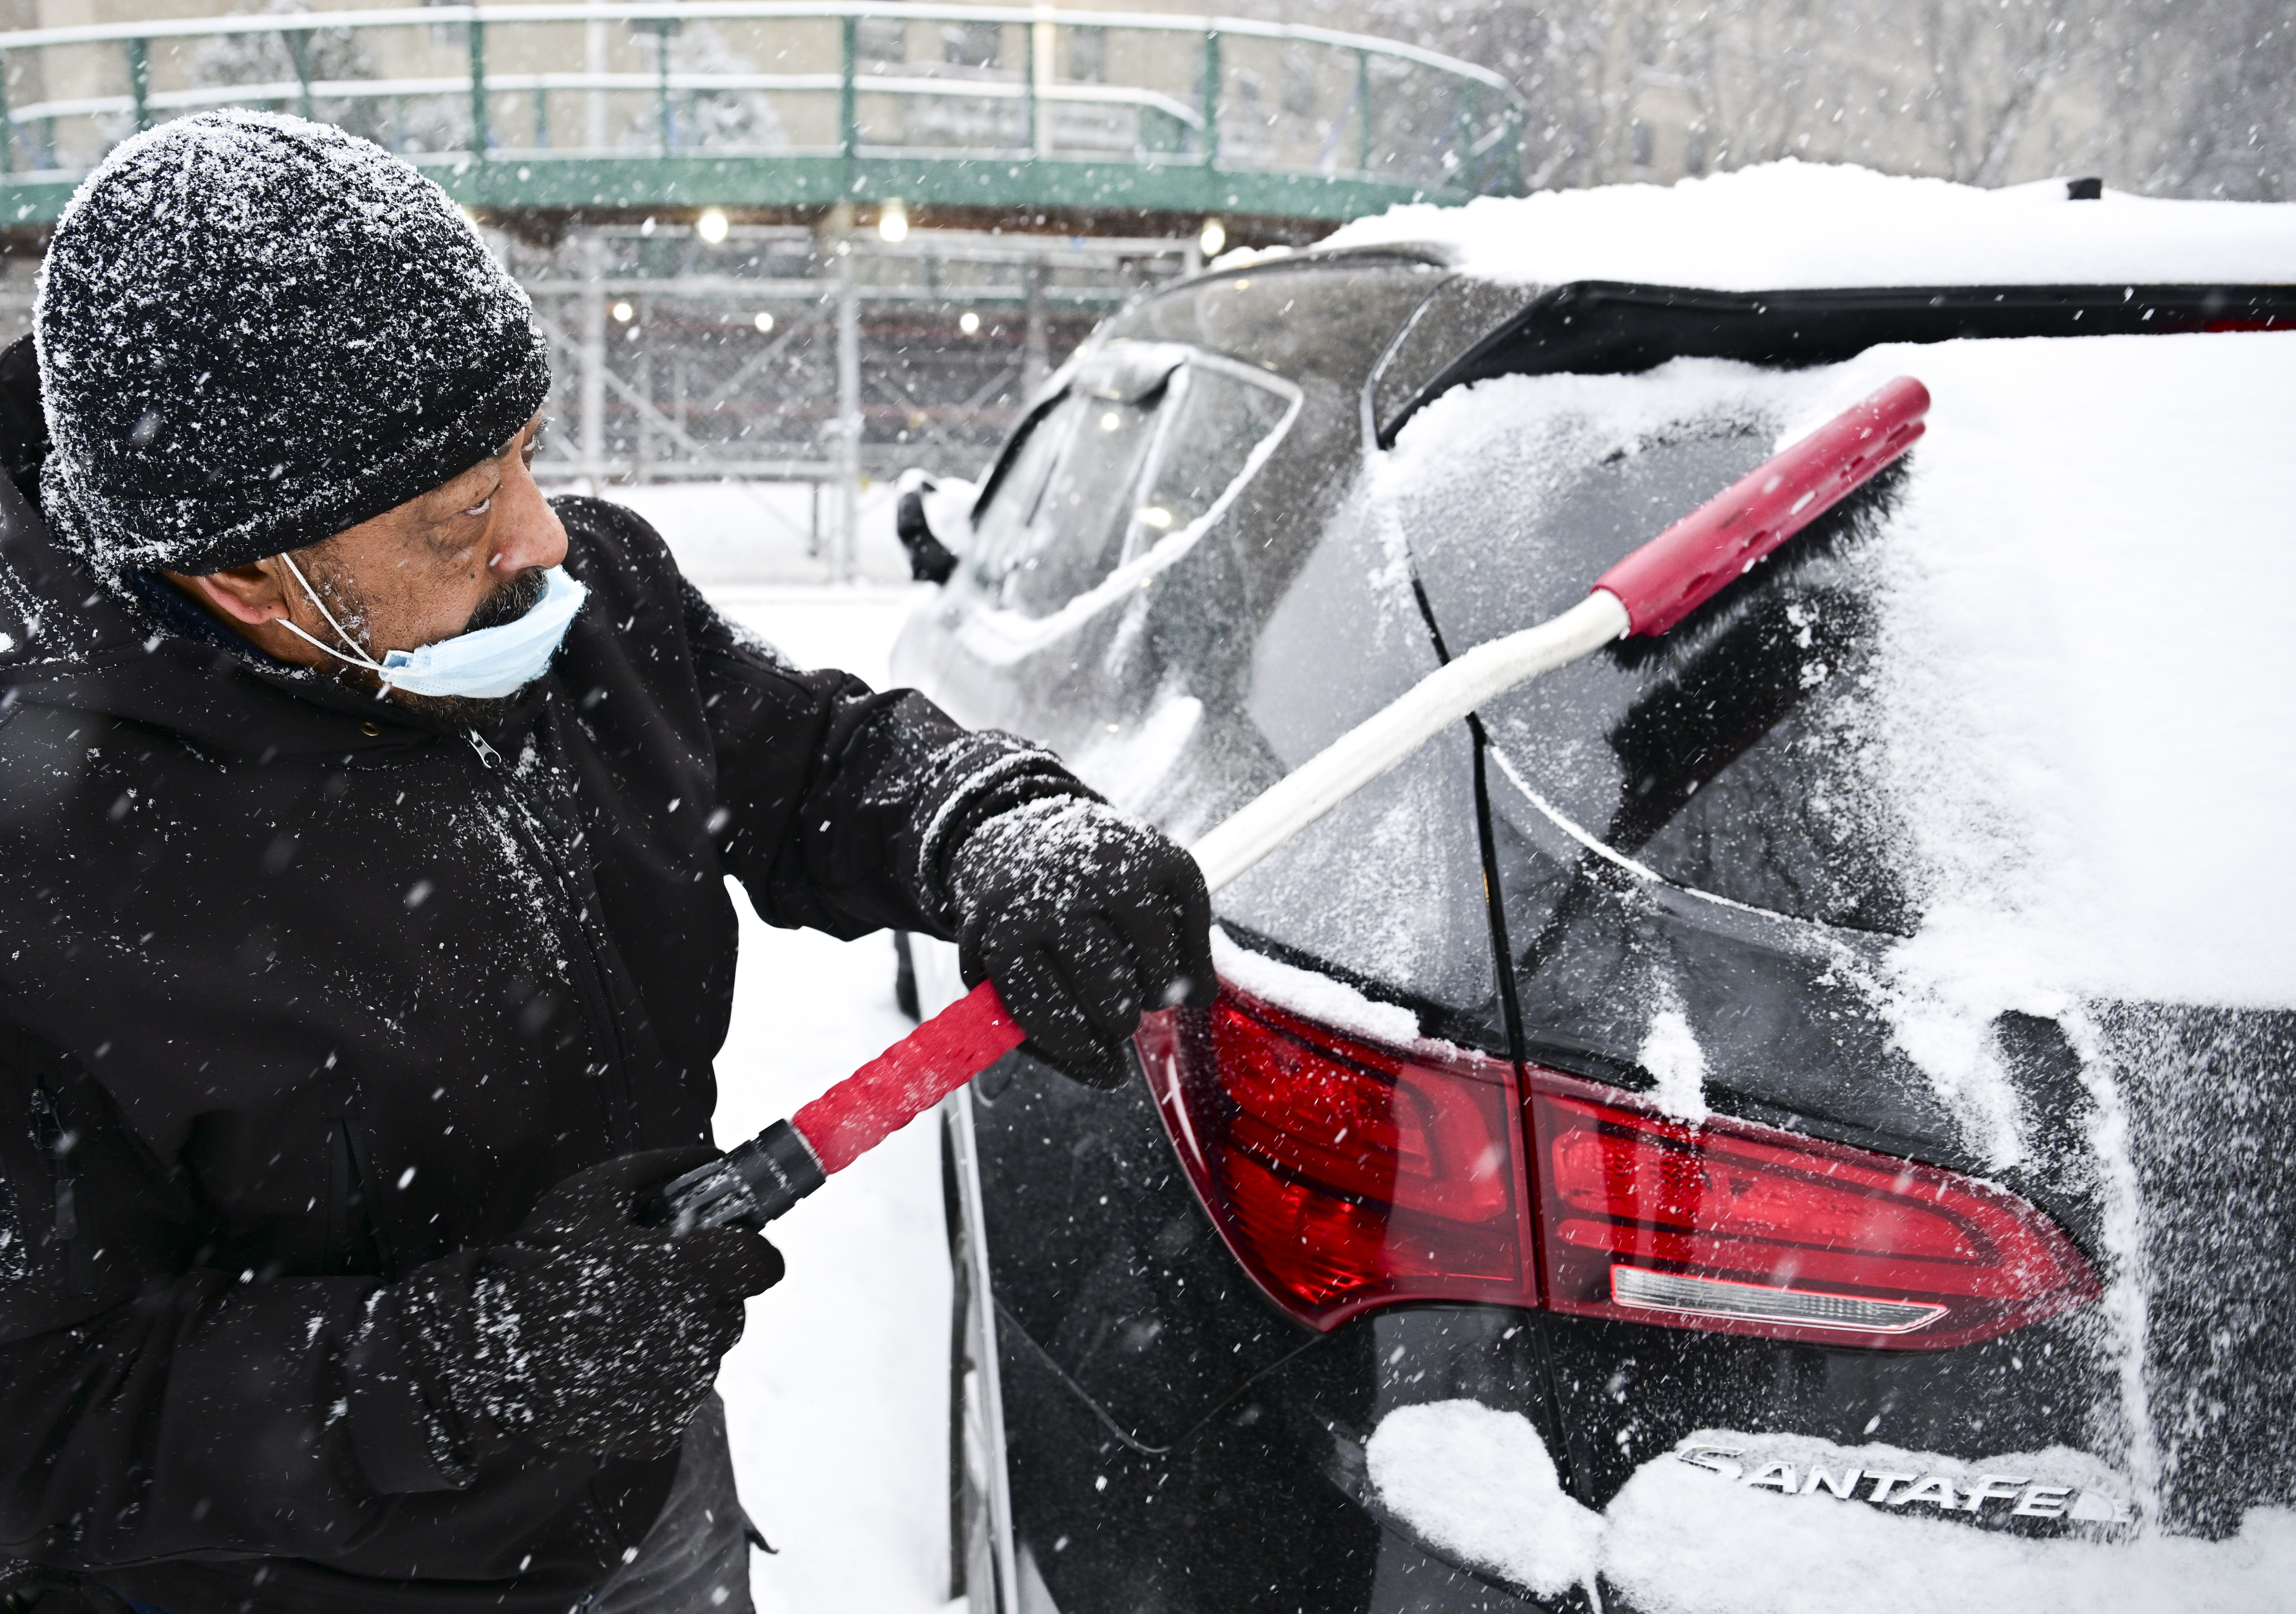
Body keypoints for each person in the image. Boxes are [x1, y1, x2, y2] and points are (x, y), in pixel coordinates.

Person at [0, 111, 1214, 1614]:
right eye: (459, 519)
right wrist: (449, 1373)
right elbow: (38, 1415)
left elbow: (812, 759)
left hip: (653, 1500)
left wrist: (987, 820)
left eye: (525, 455)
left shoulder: (585, 600)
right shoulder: (42, 862)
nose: (541, 534)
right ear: (244, 569)